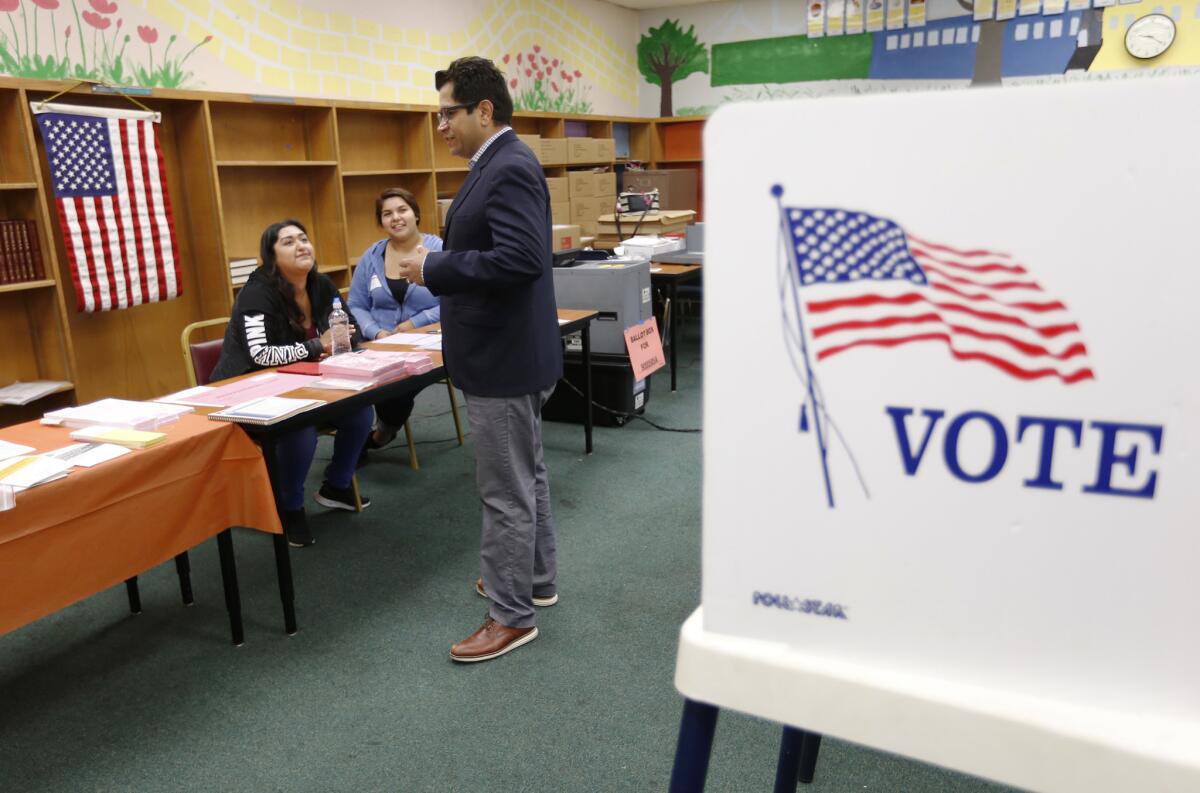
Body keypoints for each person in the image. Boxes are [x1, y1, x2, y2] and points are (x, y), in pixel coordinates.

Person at [395, 56, 563, 663]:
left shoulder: (508, 167)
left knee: (505, 490)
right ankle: (533, 581)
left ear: (483, 110)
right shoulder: (493, 164)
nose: (440, 125)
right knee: (527, 475)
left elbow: (521, 261)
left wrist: (432, 267)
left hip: (503, 359)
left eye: (447, 113)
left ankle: (510, 614)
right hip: (510, 354)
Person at [210, 219, 375, 548]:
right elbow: (261, 355)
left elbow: (346, 328)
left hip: (298, 384)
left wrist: (341, 340)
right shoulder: (256, 293)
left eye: (303, 238)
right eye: (288, 242)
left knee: (359, 412)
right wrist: (318, 345)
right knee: (298, 429)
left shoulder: (320, 284)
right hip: (247, 391)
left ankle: (337, 486)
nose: (301, 245)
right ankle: (289, 507)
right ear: (271, 258)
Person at [347, 188, 443, 453]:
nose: (396, 218)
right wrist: (376, 332)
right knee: (350, 380)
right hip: (380, 344)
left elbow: (453, 300)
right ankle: (353, 442)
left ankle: (381, 434)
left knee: (397, 383)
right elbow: (356, 304)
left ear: (415, 214)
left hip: (428, 343)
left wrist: (416, 322)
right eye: (387, 214)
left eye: (402, 210)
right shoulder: (372, 256)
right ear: (381, 222)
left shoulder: (438, 250)